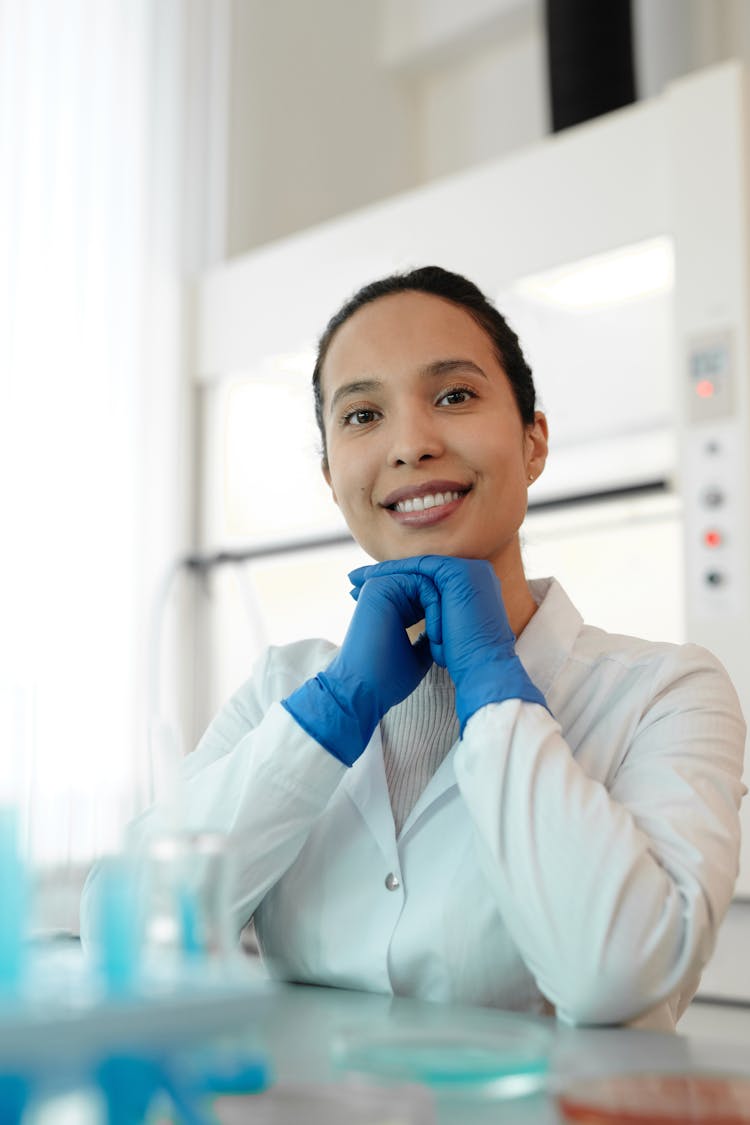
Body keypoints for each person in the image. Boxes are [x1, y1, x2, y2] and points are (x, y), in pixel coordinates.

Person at [82, 265, 745, 1029]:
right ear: (334, 478)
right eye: (363, 414)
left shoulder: (666, 692)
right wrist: (328, 717)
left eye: (455, 396)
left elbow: (612, 980)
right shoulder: (283, 689)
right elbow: (121, 935)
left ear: (533, 442)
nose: (410, 444)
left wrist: (495, 693)